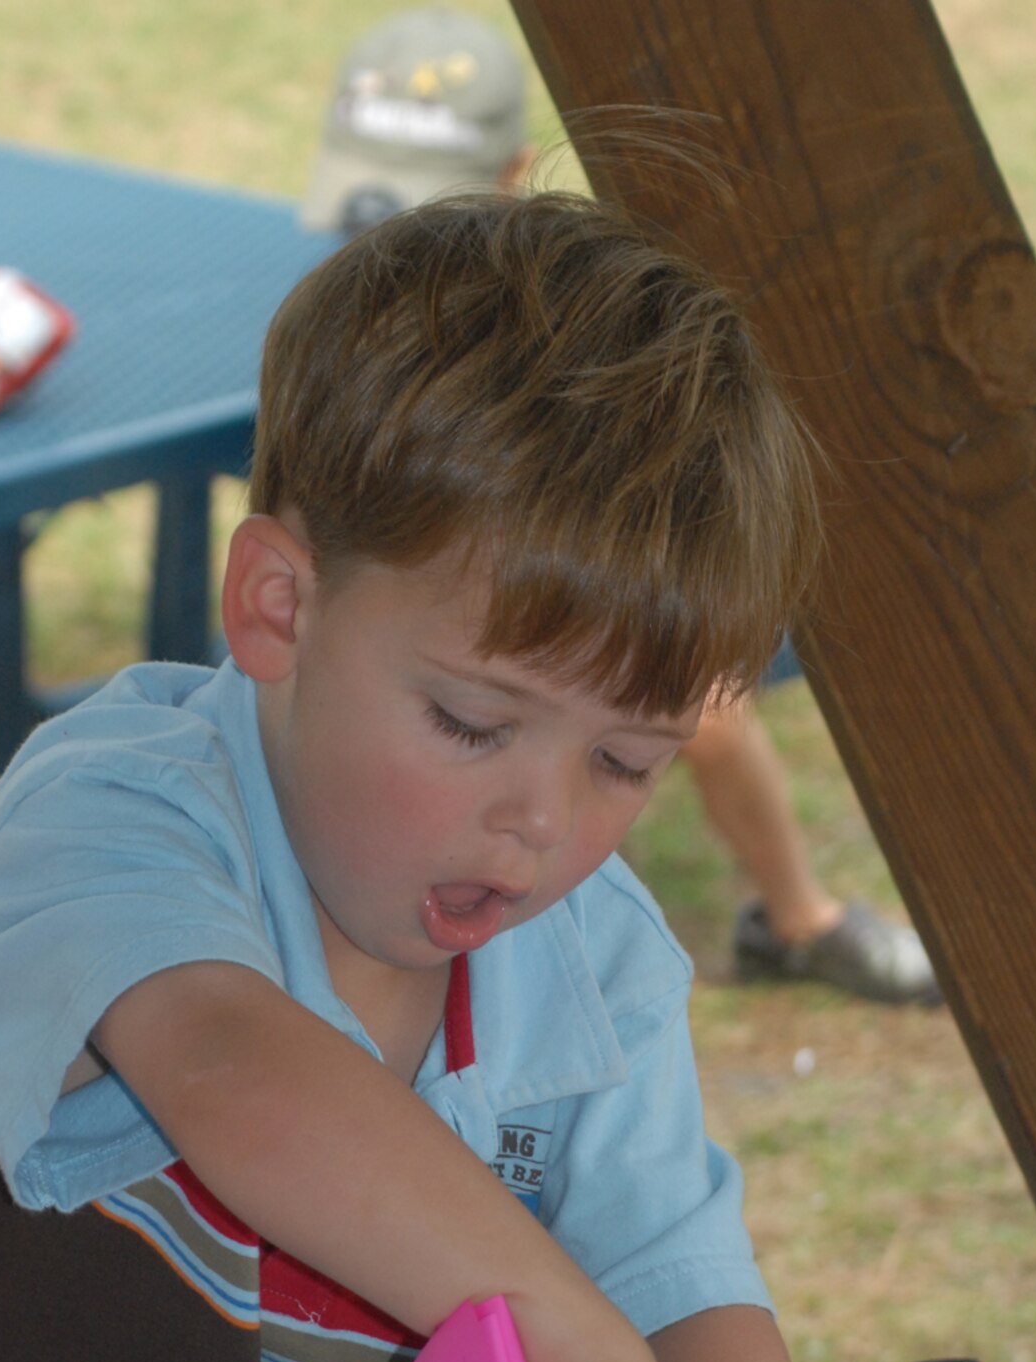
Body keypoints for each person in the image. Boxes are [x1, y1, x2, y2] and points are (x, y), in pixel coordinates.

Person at [0, 190, 818, 1362]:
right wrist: (576, 1354)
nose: (543, 820)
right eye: (471, 722)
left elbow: (692, 1292)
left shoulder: (588, 958)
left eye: (625, 761)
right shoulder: (112, 807)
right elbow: (237, 1069)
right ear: (279, 605)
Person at [304, 6, 941, 1008]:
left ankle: (798, 915)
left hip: (587, 555)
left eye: (623, 761)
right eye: (371, 208)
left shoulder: (564, 331)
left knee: (708, 717)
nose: (394, 238)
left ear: (511, 173)